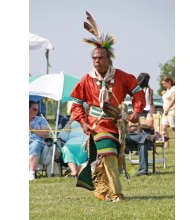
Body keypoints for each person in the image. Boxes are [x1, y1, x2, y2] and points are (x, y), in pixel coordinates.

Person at [70, 12, 146, 203]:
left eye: (101, 58)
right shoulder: (86, 79)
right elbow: (77, 103)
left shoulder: (121, 76)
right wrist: (82, 122)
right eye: (94, 58)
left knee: (110, 158)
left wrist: (136, 111)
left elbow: (138, 92)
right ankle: (117, 194)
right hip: (97, 125)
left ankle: (102, 189)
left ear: (108, 59)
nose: (97, 61)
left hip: (118, 124)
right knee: (109, 154)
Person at [58, 111, 88, 178]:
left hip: (86, 140)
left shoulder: (92, 117)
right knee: (66, 148)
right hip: (71, 141)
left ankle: (80, 169)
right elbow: (63, 135)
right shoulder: (74, 117)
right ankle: (73, 172)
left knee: (86, 148)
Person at [29, 101, 50, 180]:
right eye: (34, 109)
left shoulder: (40, 120)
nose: (36, 112)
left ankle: (31, 173)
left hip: (36, 142)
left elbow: (46, 134)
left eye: (37, 110)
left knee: (35, 145)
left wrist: (32, 129)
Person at [161, 76, 175, 148]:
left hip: (172, 110)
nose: (164, 85)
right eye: (163, 84)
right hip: (165, 112)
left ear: (169, 82)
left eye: (165, 83)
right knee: (163, 128)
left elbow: (173, 99)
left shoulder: (174, 89)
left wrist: (168, 108)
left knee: (173, 128)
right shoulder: (167, 90)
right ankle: (166, 144)